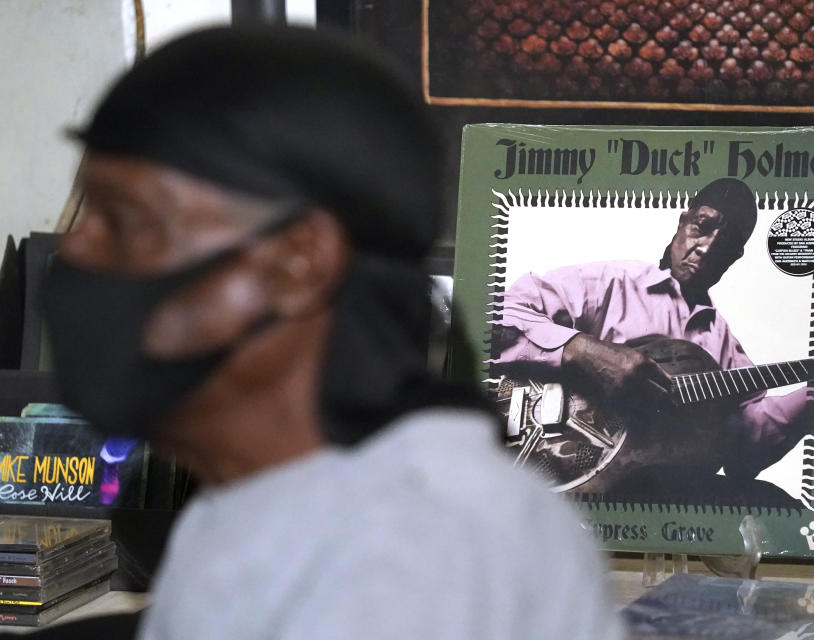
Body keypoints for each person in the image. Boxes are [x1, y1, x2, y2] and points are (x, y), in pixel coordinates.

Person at [38, 26, 624, 640]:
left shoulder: (414, 550)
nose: (75, 251)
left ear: (297, 263)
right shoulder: (276, 498)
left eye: (125, 222)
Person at [493, 178, 814, 505]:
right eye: (702, 227)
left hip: (650, 489)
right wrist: (579, 348)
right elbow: (495, 316)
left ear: (735, 256)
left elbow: (744, 453)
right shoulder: (611, 283)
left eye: (726, 243)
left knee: (777, 504)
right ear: (683, 221)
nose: (706, 249)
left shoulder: (722, 342)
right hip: (558, 476)